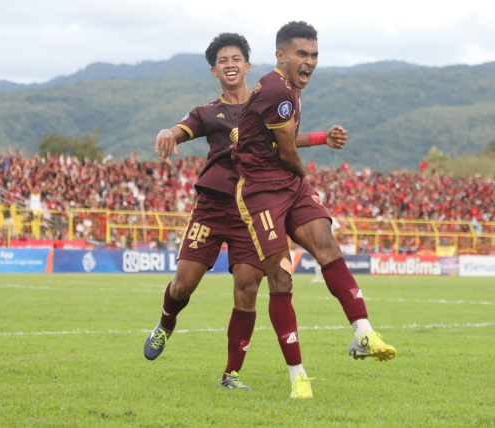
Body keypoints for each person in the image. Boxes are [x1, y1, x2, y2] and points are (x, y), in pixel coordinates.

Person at [143, 33, 345, 391]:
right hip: (212, 206)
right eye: (223, 61)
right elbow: (181, 128)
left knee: (247, 289)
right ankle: (165, 323)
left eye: (236, 58)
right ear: (214, 71)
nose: (230, 64)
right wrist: (167, 131)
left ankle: (231, 374)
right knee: (183, 285)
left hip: (251, 210)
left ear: (248, 66)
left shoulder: (267, 99)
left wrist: (320, 138)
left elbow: (285, 135)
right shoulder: (207, 112)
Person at [232, 21, 396, 399]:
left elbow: (281, 140)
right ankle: (297, 376)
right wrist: (306, 179)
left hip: (286, 183)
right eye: (301, 54)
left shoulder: (287, 87)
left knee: (328, 249)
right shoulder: (276, 89)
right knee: (281, 280)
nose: (309, 61)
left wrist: (323, 138)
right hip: (260, 192)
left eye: (314, 55)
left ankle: (363, 333)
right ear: (281, 55)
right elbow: (287, 151)